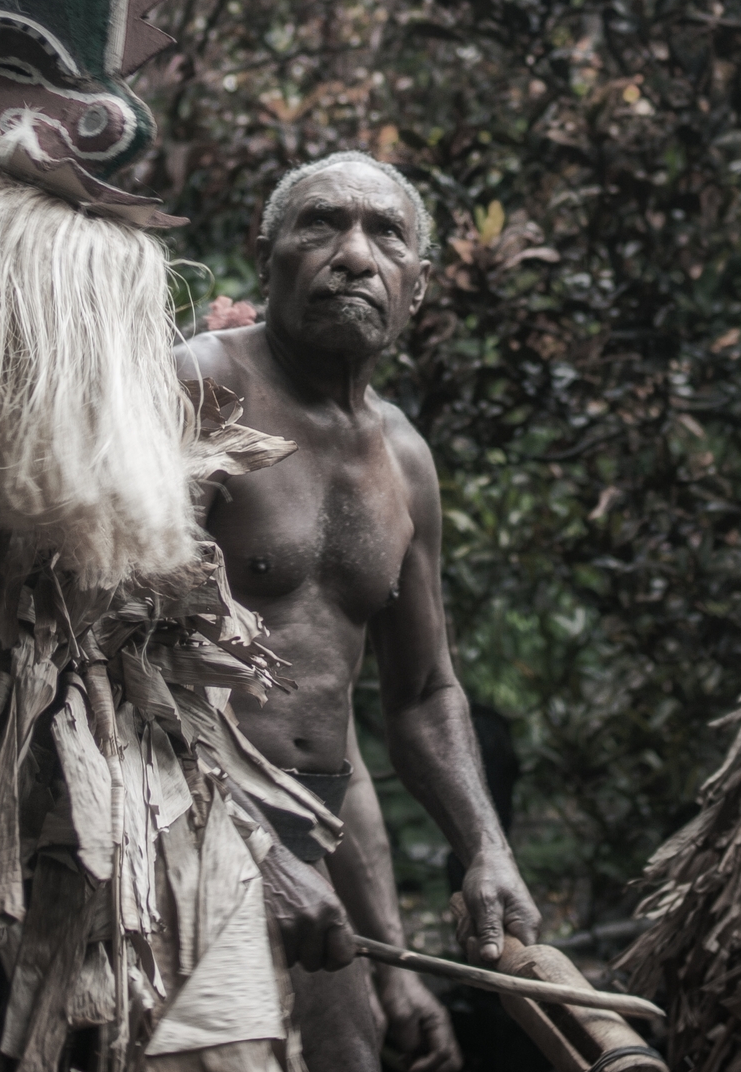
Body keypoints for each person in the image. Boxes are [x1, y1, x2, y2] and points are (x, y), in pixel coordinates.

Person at [179, 151, 538, 1072]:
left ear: (415, 286)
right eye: (320, 224)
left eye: (387, 234)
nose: (353, 252)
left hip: (315, 863)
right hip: (168, 834)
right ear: (266, 258)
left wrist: (483, 852)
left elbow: (417, 697)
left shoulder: (405, 458)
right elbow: (113, 649)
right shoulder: (196, 387)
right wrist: (258, 853)